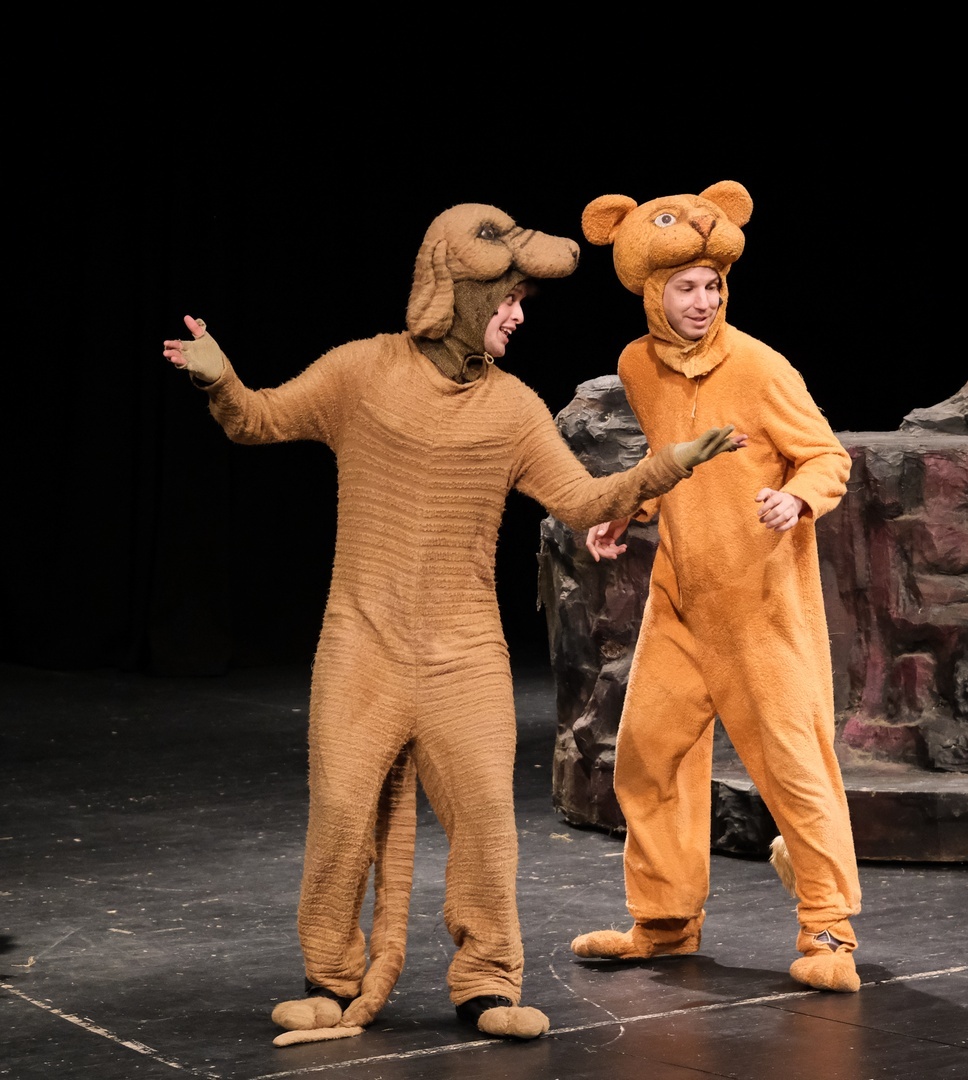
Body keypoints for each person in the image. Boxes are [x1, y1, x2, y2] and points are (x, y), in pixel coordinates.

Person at [161, 204, 740, 1042]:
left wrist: (664, 468)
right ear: (462, 294)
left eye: (522, 302)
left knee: (486, 822)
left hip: (463, 654)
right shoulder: (362, 371)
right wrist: (219, 379)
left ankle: (487, 981)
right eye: (509, 299)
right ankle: (331, 979)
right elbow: (260, 418)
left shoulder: (512, 409)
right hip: (361, 644)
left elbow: (582, 501)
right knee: (340, 816)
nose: (518, 315)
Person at [567, 181, 864, 991]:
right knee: (645, 758)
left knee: (793, 766)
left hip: (761, 604)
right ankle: (664, 922)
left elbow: (826, 456)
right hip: (680, 601)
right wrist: (625, 508)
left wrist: (796, 497)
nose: (702, 302)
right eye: (686, 288)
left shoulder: (760, 367)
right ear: (652, 293)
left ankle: (828, 930)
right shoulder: (637, 365)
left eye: (712, 286)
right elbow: (670, 455)